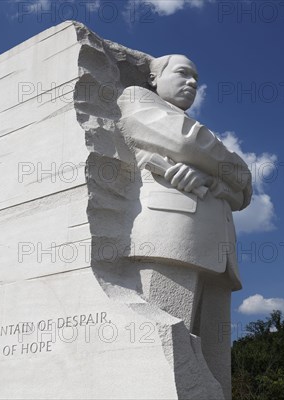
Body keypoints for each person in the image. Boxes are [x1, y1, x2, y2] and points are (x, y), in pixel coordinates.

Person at [115, 54, 252, 399]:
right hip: (172, 235)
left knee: (215, 368)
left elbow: (245, 188)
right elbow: (186, 142)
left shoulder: (202, 136)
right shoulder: (136, 98)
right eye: (183, 74)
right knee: (163, 353)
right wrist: (230, 169)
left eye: (196, 78)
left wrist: (210, 175)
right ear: (155, 79)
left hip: (218, 251)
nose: (192, 82)